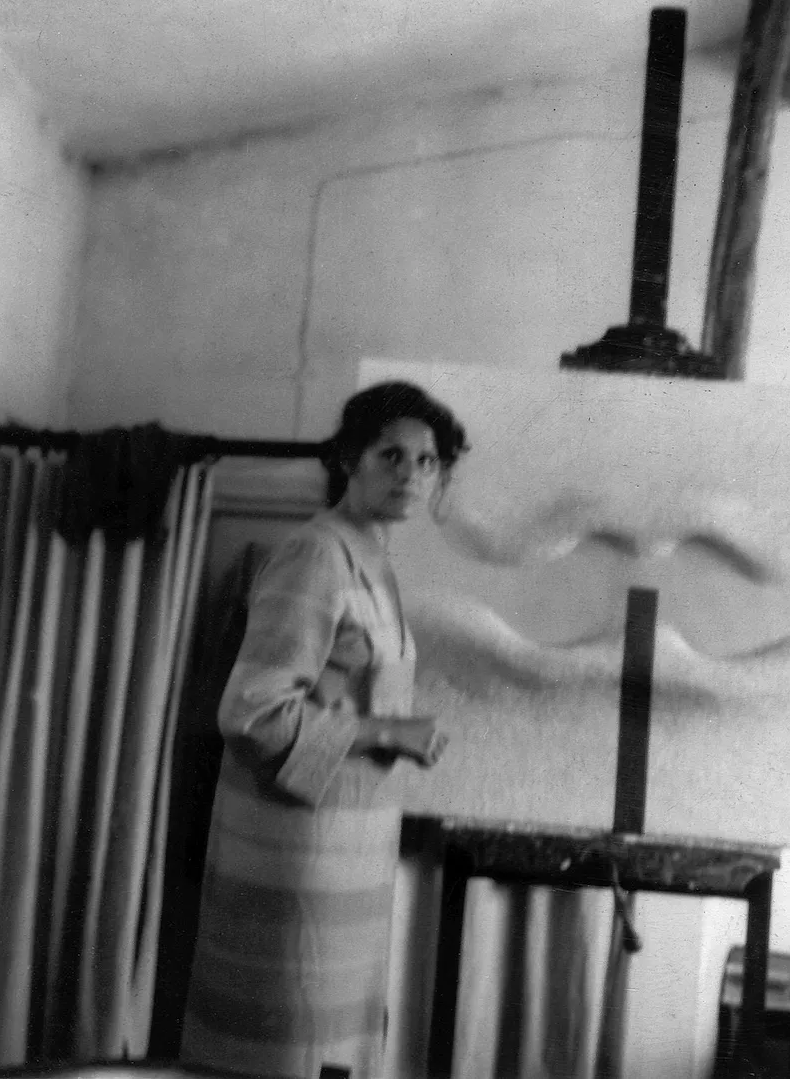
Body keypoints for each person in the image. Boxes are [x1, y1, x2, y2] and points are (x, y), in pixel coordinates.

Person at [180, 381, 468, 1079]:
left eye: (427, 461)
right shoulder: (317, 554)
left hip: (348, 847)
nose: (410, 474)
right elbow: (252, 713)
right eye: (391, 455)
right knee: (286, 1043)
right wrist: (389, 732)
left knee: (330, 1044)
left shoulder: (374, 558)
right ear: (348, 458)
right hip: (294, 851)